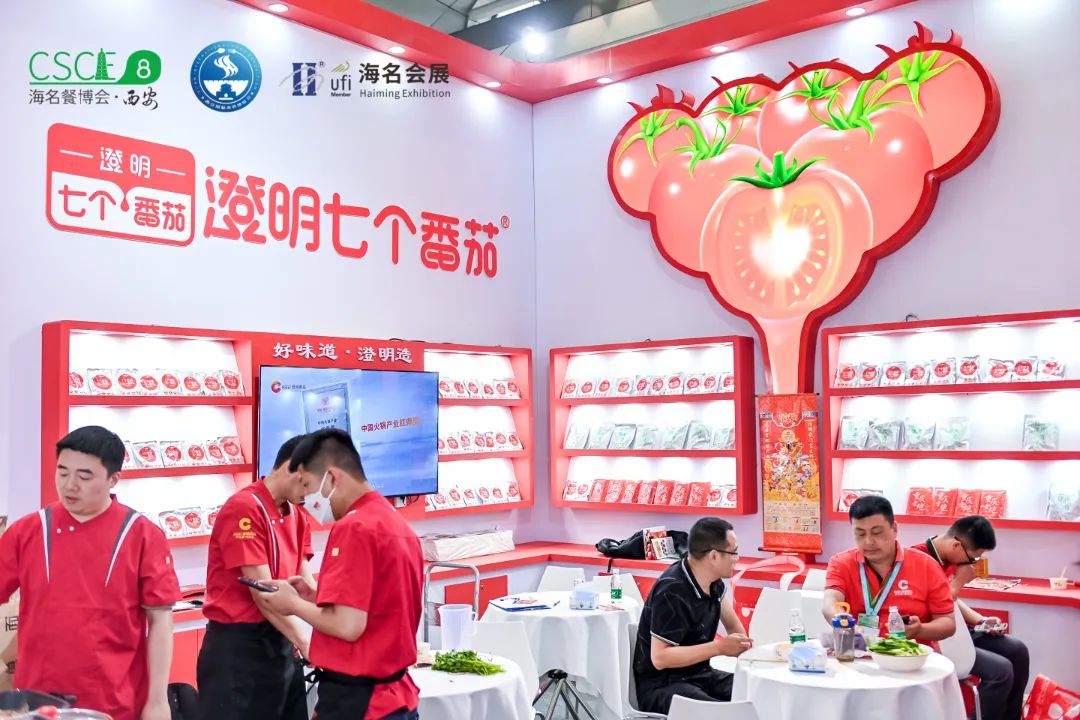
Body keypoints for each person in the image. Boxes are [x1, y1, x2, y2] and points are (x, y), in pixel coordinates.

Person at [0, 426, 180, 720]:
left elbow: (160, 620)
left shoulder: (141, 535)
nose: (70, 485)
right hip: (36, 702)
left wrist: (158, 701)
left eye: (84, 477)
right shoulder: (28, 531)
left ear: (113, 479)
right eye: (62, 473)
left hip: (116, 701)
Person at [261, 429, 423, 720]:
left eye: (308, 486)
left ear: (332, 478)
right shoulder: (394, 522)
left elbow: (348, 626)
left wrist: (292, 604)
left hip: (361, 702)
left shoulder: (353, 527)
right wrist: (315, 596)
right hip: (395, 696)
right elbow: (378, 605)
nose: (305, 498)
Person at [197, 434, 316, 720]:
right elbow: (264, 595)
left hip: (282, 644)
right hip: (238, 652)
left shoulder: (297, 514)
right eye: (310, 484)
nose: (312, 494)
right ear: (295, 468)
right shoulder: (244, 508)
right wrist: (306, 643)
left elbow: (307, 586)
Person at [911, 516, 1030, 720]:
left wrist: (980, 620)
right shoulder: (917, 560)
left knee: (1018, 651)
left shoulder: (949, 557)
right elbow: (935, 606)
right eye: (972, 558)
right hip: (935, 639)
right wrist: (958, 582)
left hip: (958, 633)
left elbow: (953, 601)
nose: (972, 564)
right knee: (1001, 672)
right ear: (956, 545)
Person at [633, 517, 753, 714]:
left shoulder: (714, 583)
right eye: (734, 552)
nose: (737, 559)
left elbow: (734, 629)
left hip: (700, 675)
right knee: (725, 713)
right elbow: (660, 658)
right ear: (714, 556)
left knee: (754, 691)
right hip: (662, 685)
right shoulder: (672, 589)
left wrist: (747, 649)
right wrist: (719, 647)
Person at [822, 496, 955, 644]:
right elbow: (830, 601)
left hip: (909, 653)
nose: (868, 541)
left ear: (894, 528)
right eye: (860, 534)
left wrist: (920, 630)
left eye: (877, 532)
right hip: (859, 651)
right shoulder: (841, 563)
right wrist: (843, 622)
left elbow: (948, 623)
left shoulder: (927, 565)